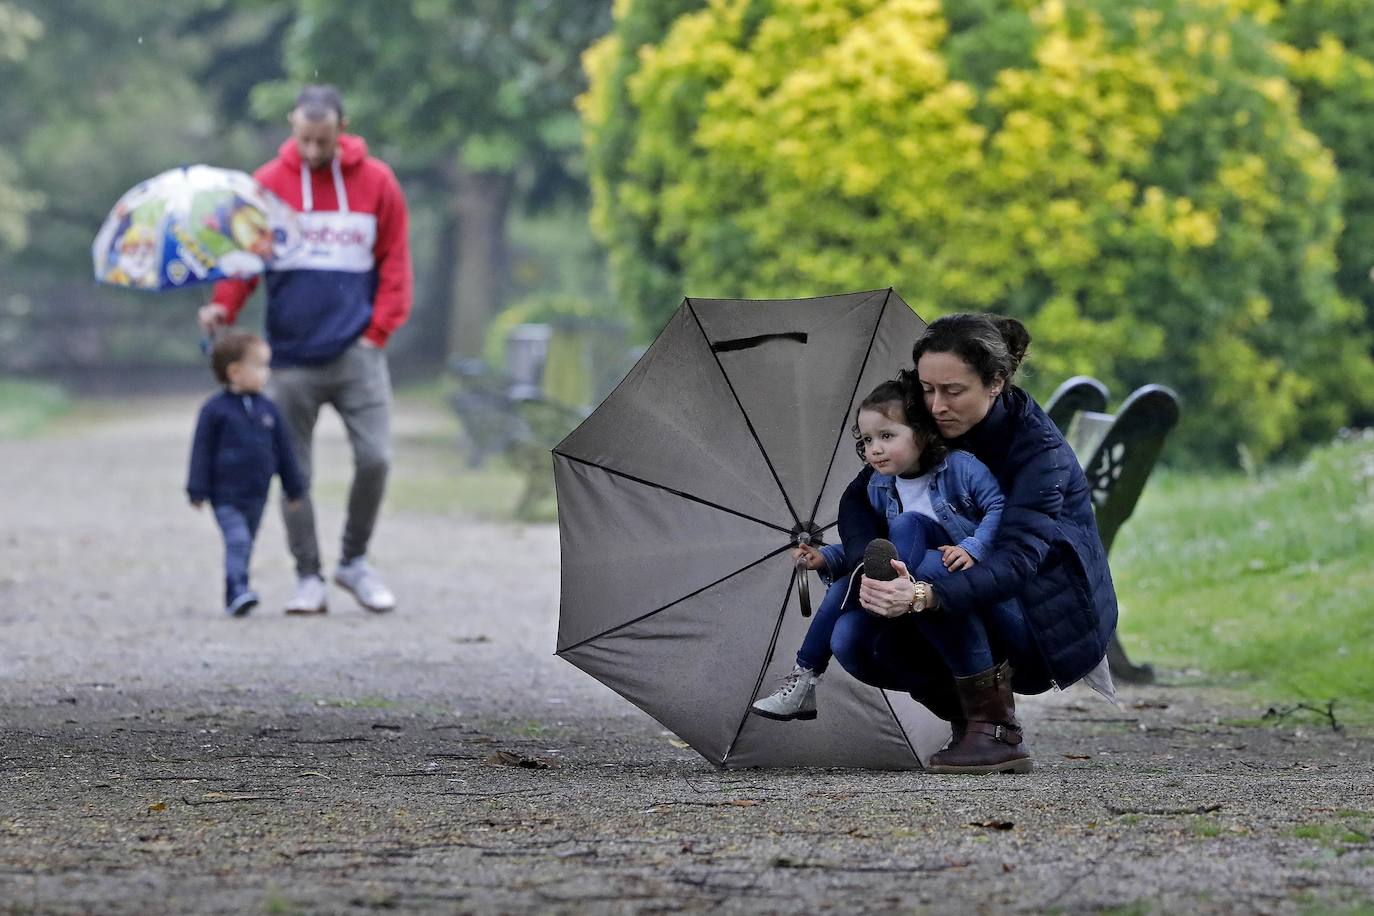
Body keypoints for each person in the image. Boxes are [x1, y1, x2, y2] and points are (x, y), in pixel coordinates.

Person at [836, 314, 1118, 775]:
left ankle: (997, 731)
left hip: (1040, 611)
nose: (936, 404)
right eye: (927, 389)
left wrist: (925, 594)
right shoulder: (929, 426)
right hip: (955, 588)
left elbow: (1017, 560)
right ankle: (968, 722)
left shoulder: (1037, 451)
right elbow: (856, 500)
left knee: (932, 560)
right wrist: (875, 572)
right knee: (852, 639)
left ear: (995, 383)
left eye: (953, 390)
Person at [198, 84, 412, 615]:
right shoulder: (267, 187)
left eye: (323, 141)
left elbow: (395, 264)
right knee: (294, 473)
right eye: (304, 140)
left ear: (341, 128)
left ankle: (353, 561)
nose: (313, 151)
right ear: (292, 128)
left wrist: (376, 333)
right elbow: (244, 261)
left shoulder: (377, 181)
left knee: (376, 458)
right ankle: (308, 576)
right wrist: (223, 305)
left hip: (356, 351)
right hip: (290, 359)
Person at [750, 378, 1004, 722]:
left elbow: (999, 507)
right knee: (850, 605)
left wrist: (973, 547)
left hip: (961, 577)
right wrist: (828, 557)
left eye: (887, 436)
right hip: (907, 583)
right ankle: (807, 679)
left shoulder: (961, 467)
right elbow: (880, 550)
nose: (875, 449)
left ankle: (806, 676)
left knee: (904, 526)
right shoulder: (879, 485)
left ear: (922, 430)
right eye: (868, 440)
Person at [187, 332, 306, 616]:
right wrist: (197, 488)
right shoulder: (214, 410)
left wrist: (294, 487)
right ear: (235, 371)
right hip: (225, 495)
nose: (267, 373)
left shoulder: (268, 410)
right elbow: (201, 451)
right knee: (237, 539)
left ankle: (235, 591)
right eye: (260, 366)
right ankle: (239, 589)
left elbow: (284, 452)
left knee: (245, 543)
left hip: (257, 494)